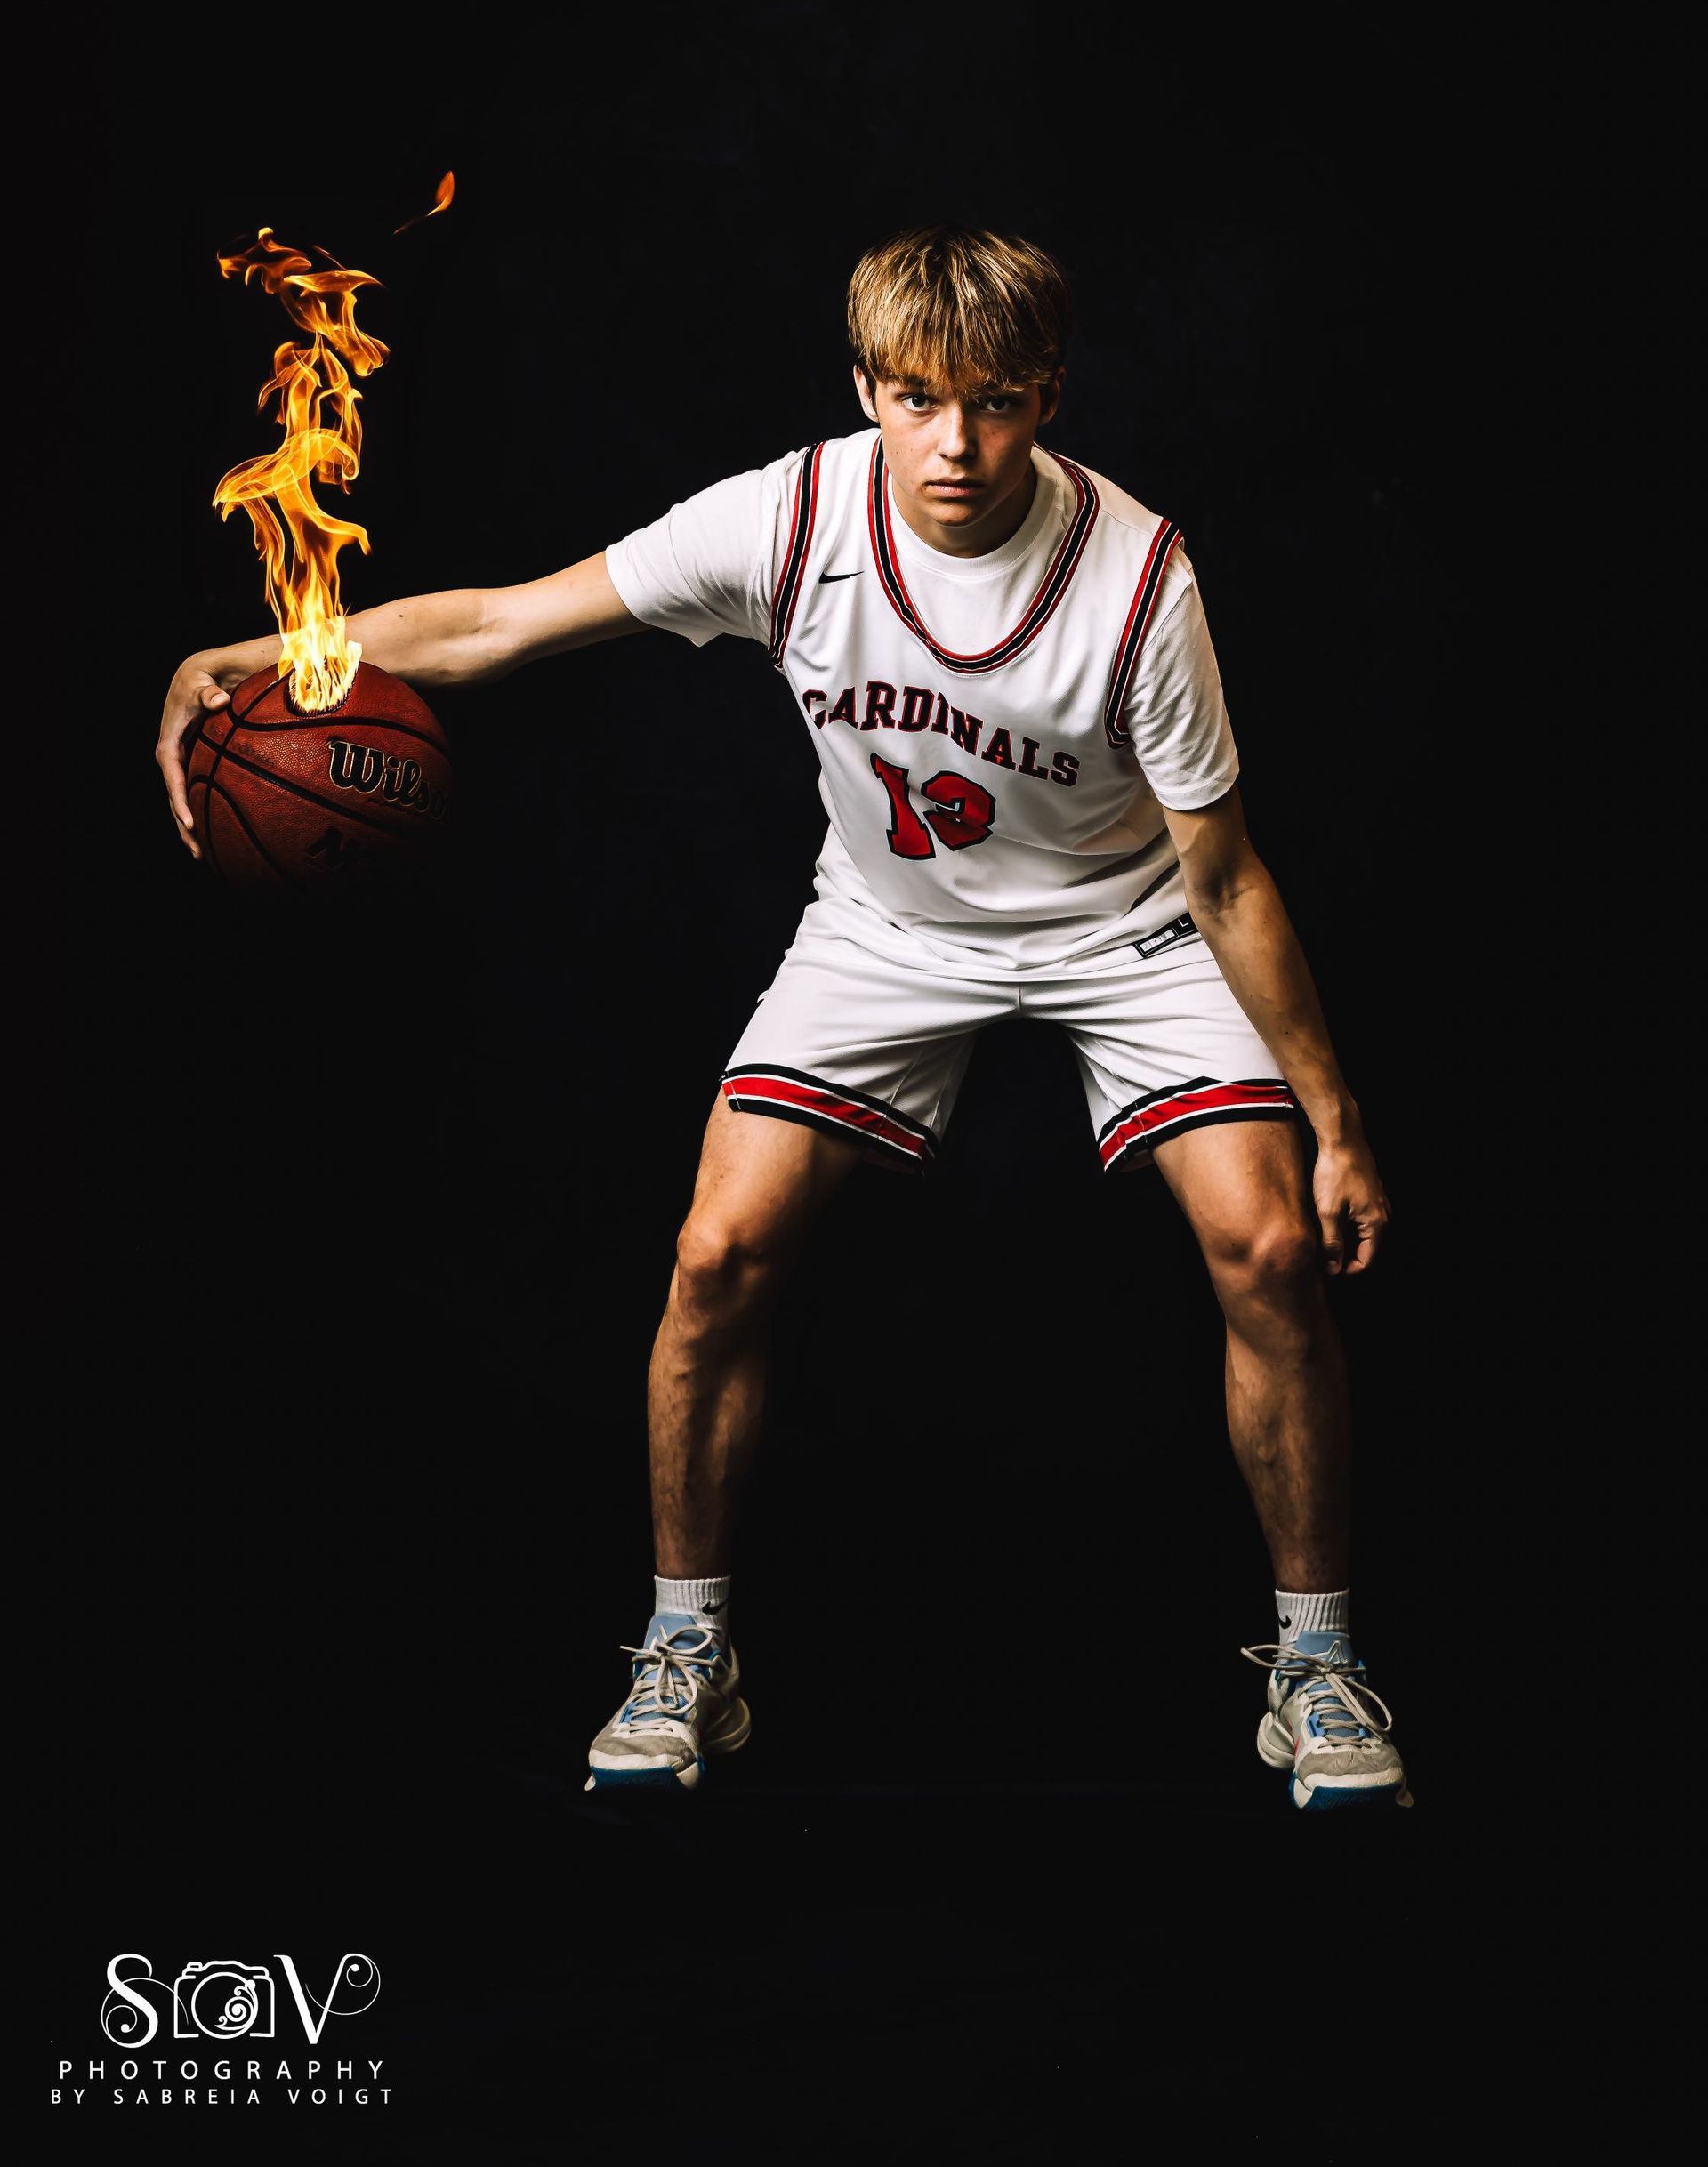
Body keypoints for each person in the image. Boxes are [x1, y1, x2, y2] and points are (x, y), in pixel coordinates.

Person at [157, 225, 1409, 1813]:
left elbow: (1226, 882)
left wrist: (1343, 1124)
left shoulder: (1141, 580)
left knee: (1272, 1247)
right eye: (916, 398)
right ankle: (689, 1651)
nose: (955, 445)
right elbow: (503, 623)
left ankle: (1317, 1661)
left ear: (1050, 396)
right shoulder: (792, 516)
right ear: (867, 385)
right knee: (713, 1253)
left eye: (999, 402)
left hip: (1129, 926)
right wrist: (266, 656)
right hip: (890, 924)